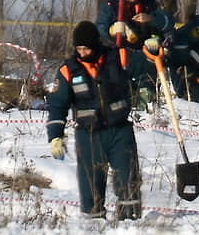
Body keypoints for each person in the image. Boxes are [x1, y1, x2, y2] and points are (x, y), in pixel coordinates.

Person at [46, 21, 142, 221]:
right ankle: (94, 225)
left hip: (119, 131)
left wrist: (141, 41)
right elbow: (57, 105)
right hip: (88, 134)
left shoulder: (117, 58)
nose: (82, 52)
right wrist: (55, 136)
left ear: (96, 44)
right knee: (90, 183)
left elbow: (146, 60)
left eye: (86, 48)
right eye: (78, 48)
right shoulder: (67, 71)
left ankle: (131, 221)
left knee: (128, 177)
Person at [96, 0, 174, 110]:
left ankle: (145, 107)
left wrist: (152, 20)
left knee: (147, 73)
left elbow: (168, 21)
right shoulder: (110, 4)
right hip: (116, 54)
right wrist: (111, 31)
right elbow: (100, 27)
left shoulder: (149, 4)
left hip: (142, 54)